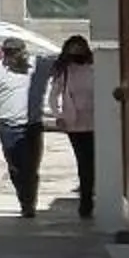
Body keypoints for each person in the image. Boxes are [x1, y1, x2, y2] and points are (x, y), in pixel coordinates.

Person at [0, 34, 41, 215]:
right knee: (15, 167)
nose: (14, 57)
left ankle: (29, 203)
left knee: (31, 167)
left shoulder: (35, 66)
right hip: (8, 126)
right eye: (9, 53)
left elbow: (60, 66)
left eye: (18, 52)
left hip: (32, 126)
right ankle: (23, 197)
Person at [50, 33, 100, 221]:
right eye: (73, 49)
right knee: (84, 161)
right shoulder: (65, 71)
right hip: (75, 122)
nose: (76, 52)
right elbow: (53, 96)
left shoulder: (95, 68)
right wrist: (58, 115)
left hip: (96, 120)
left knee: (95, 161)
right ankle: (86, 200)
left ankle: (91, 195)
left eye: (79, 48)